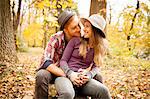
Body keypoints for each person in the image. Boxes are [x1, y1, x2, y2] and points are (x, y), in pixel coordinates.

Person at [55, 14, 111, 99]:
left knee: (103, 91)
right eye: (84, 26)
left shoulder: (98, 47)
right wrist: (70, 73)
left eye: (87, 26)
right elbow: (63, 61)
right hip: (66, 76)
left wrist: (89, 75)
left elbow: (96, 66)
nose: (83, 29)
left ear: (95, 30)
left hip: (83, 80)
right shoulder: (75, 41)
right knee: (67, 94)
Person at [35, 9, 81, 99]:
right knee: (41, 75)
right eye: (74, 27)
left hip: (75, 72)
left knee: (98, 75)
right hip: (55, 72)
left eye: (79, 25)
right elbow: (46, 61)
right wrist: (68, 74)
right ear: (65, 30)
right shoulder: (56, 38)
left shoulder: (83, 38)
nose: (78, 29)